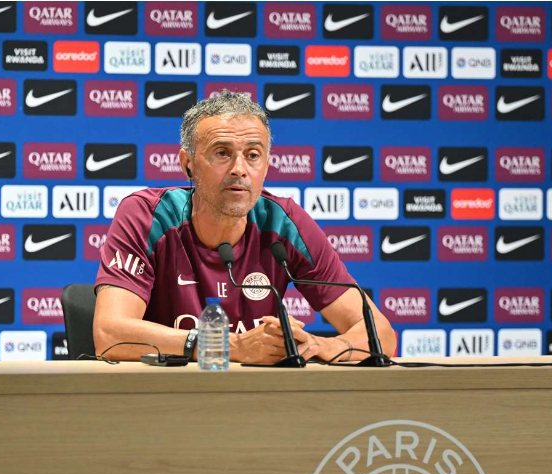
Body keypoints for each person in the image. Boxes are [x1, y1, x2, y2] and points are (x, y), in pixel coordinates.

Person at [92, 90, 396, 364]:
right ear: (188, 164)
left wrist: (318, 345)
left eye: (253, 155)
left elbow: (381, 334)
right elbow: (109, 334)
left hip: (255, 400)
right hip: (163, 396)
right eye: (222, 153)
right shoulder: (148, 215)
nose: (239, 169)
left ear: (266, 166)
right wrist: (229, 346)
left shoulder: (284, 222)